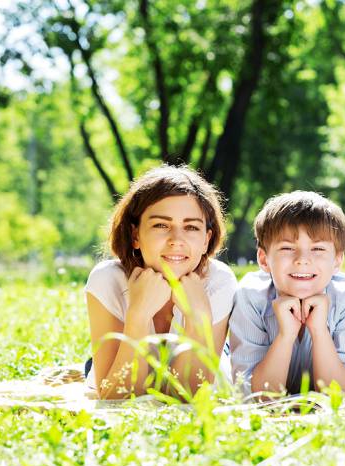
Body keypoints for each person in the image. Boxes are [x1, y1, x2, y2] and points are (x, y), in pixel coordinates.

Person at [85, 165, 237, 399]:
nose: (176, 239)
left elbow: (188, 397)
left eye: (191, 227)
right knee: (97, 373)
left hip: (214, 356)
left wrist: (198, 319)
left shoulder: (219, 280)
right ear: (135, 235)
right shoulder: (107, 279)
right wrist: (138, 315)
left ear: (206, 240)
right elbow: (115, 398)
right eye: (161, 225)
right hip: (119, 360)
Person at [228, 191, 345, 397]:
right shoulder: (251, 296)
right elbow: (257, 397)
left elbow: (341, 394)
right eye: (287, 248)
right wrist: (285, 335)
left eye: (318, 249)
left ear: (337, 261)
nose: (302, 259)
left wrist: (319, 331)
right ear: (263, 259)